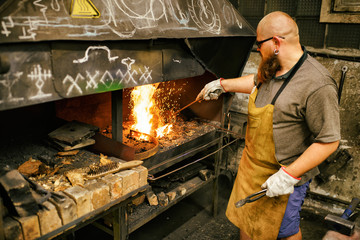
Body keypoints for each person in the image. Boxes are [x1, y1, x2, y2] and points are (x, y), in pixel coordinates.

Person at [197, 11, 340, 240]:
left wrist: (288, 175)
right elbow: (256, 82)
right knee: (247, 220)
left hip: (282, 178)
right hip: (251, 169)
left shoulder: (317, 84)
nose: (257, 49)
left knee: (283, 231)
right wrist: (223, 85)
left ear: (275, 42)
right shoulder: (275, 67)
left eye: (259, 43)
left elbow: (329, 140)